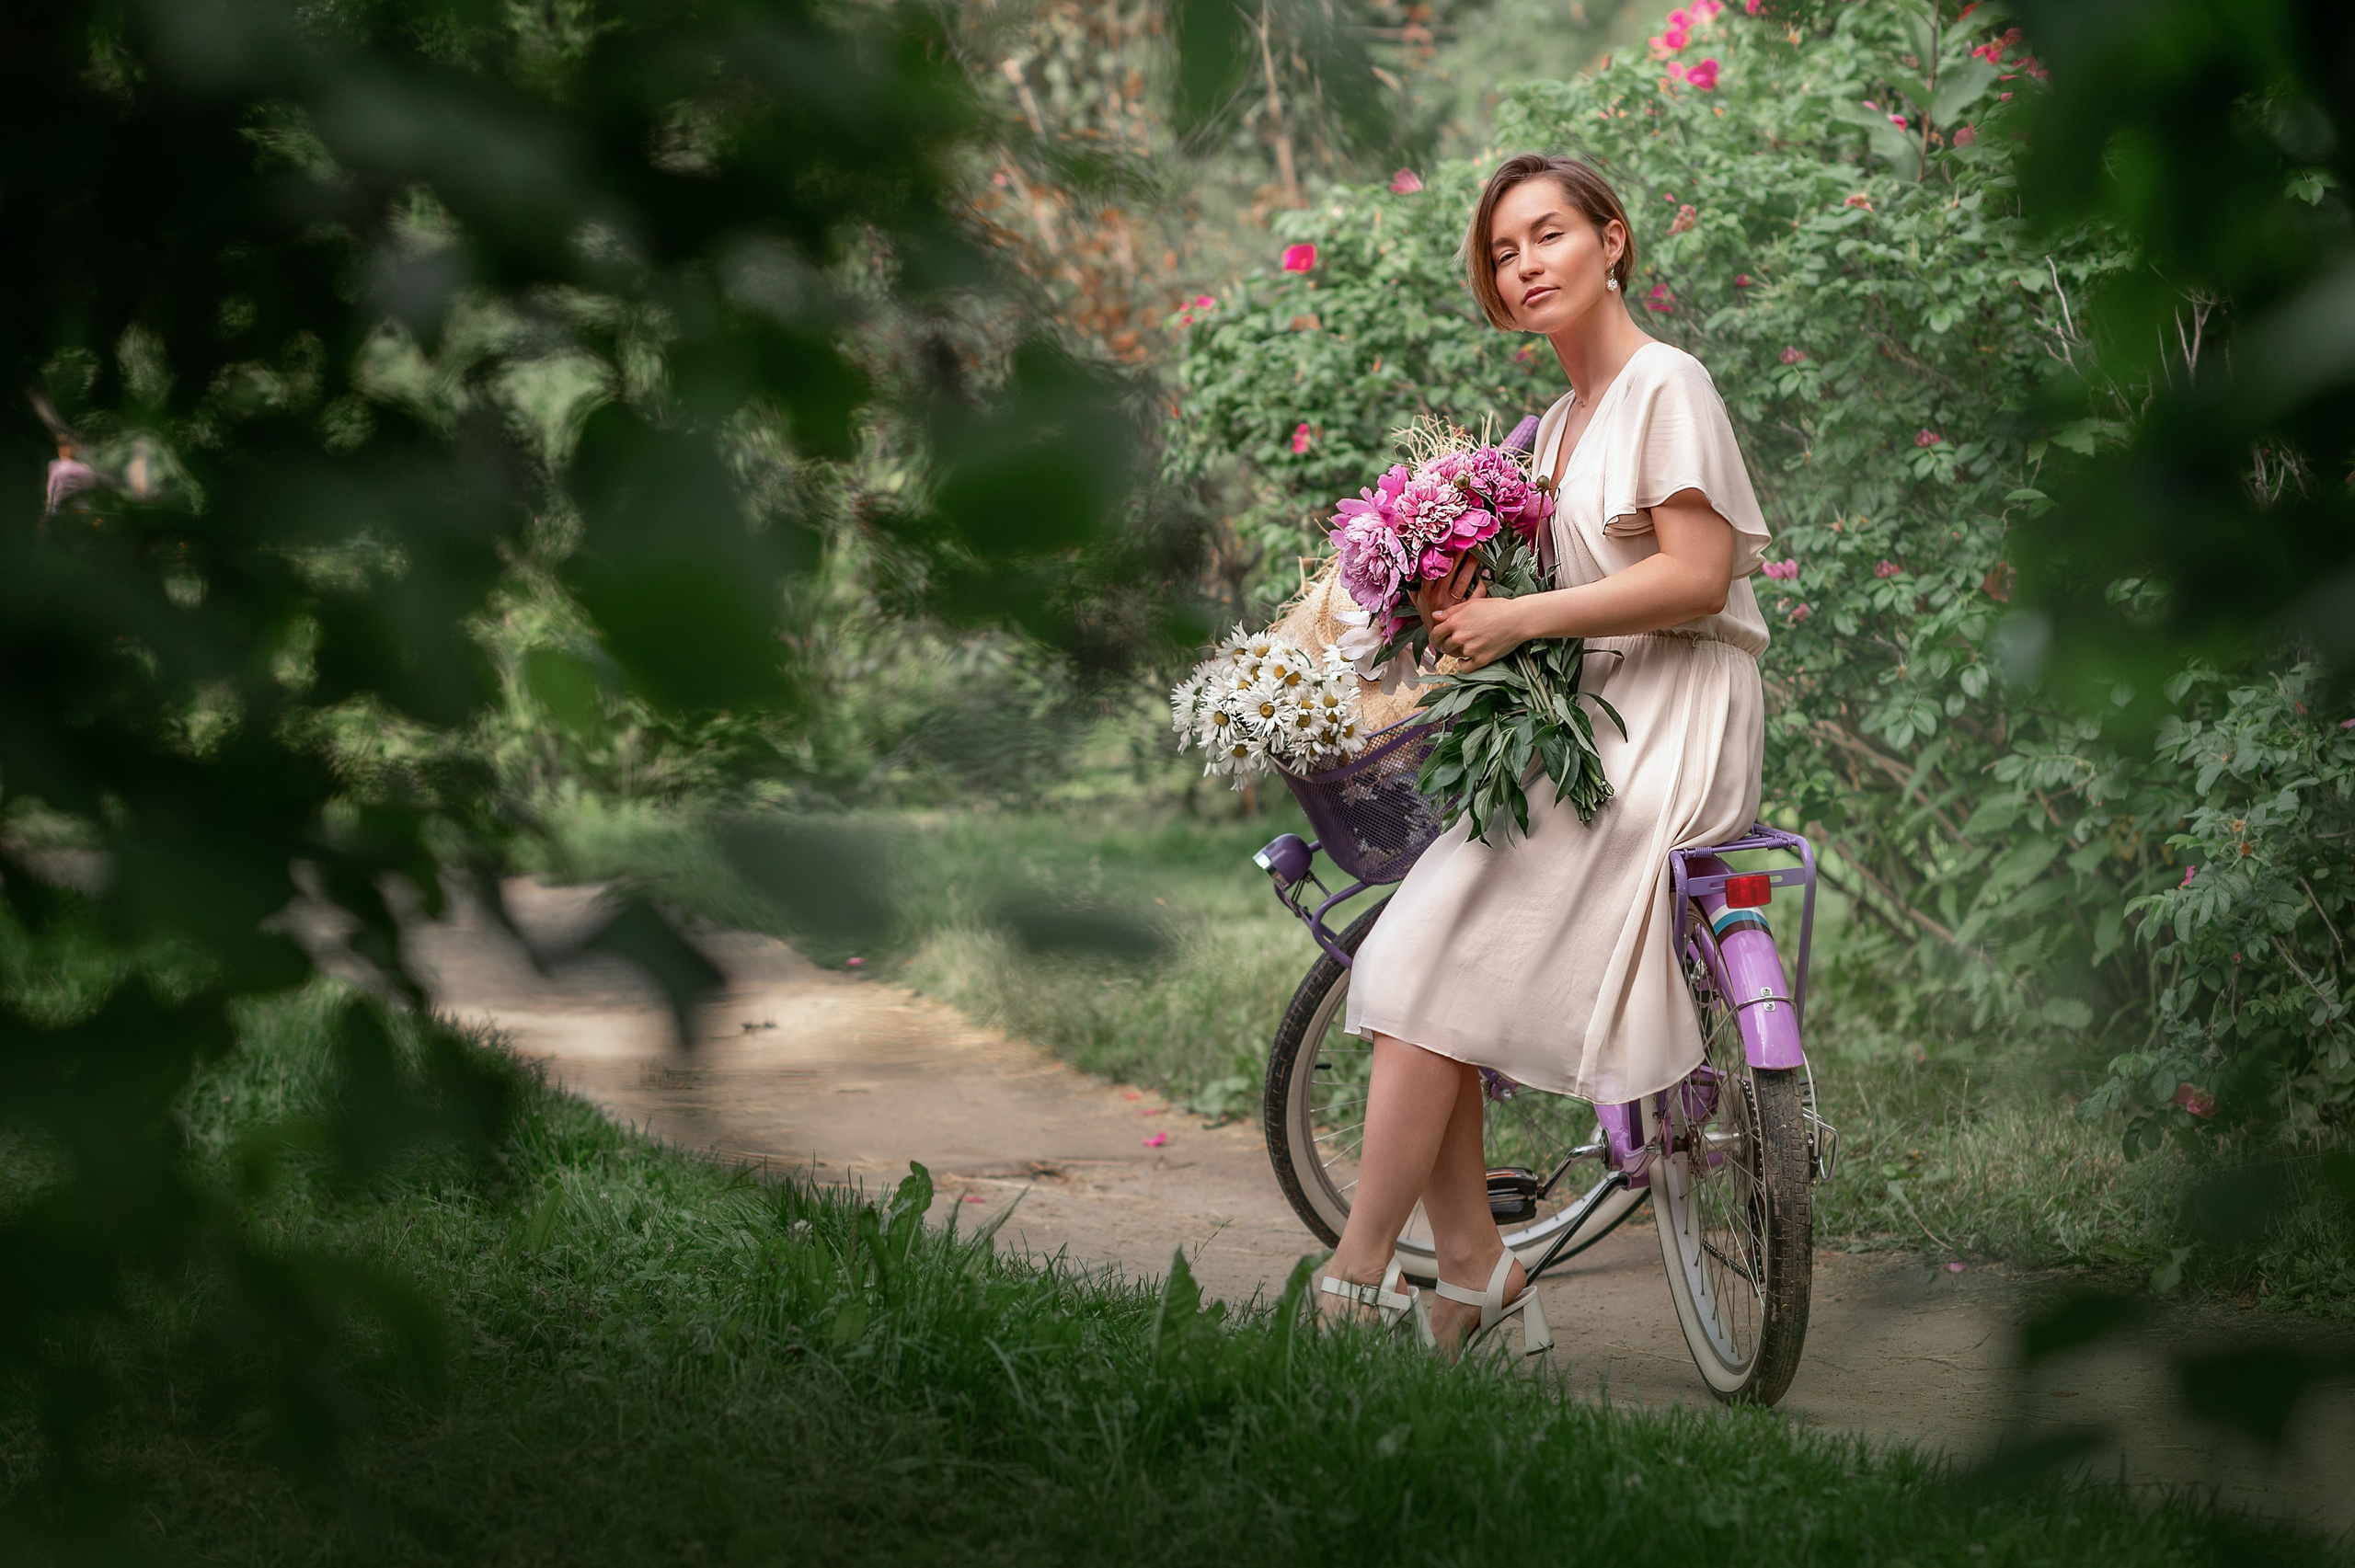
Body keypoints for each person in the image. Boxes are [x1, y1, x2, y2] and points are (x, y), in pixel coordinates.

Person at [1315, 152, 1774, 1356]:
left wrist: (1518, 618)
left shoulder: (1667, 382)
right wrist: (1449, 604)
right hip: (1593, 718)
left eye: (1550, 234)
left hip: (1676, 713)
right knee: (1421, 961)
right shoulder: (1561, 427)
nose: (1525, 265)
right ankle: (1474, 1272)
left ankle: (1355, 1279)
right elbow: (1554, 613)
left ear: (1612, 241)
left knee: (1427, 950)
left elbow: (1699, 576)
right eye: (1503, 251)